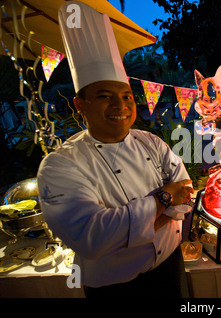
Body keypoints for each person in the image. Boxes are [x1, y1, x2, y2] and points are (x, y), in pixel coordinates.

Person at [37, 1, 194, 298]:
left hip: (171, 267)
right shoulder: (60, 165)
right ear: (80, 105)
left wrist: (127, 232)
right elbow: (93, 239)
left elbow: (184, 192)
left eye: (126, 95)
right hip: (116, 288)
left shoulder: (151, 142)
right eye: (104, 96)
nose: (120, 106)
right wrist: (163, 197)